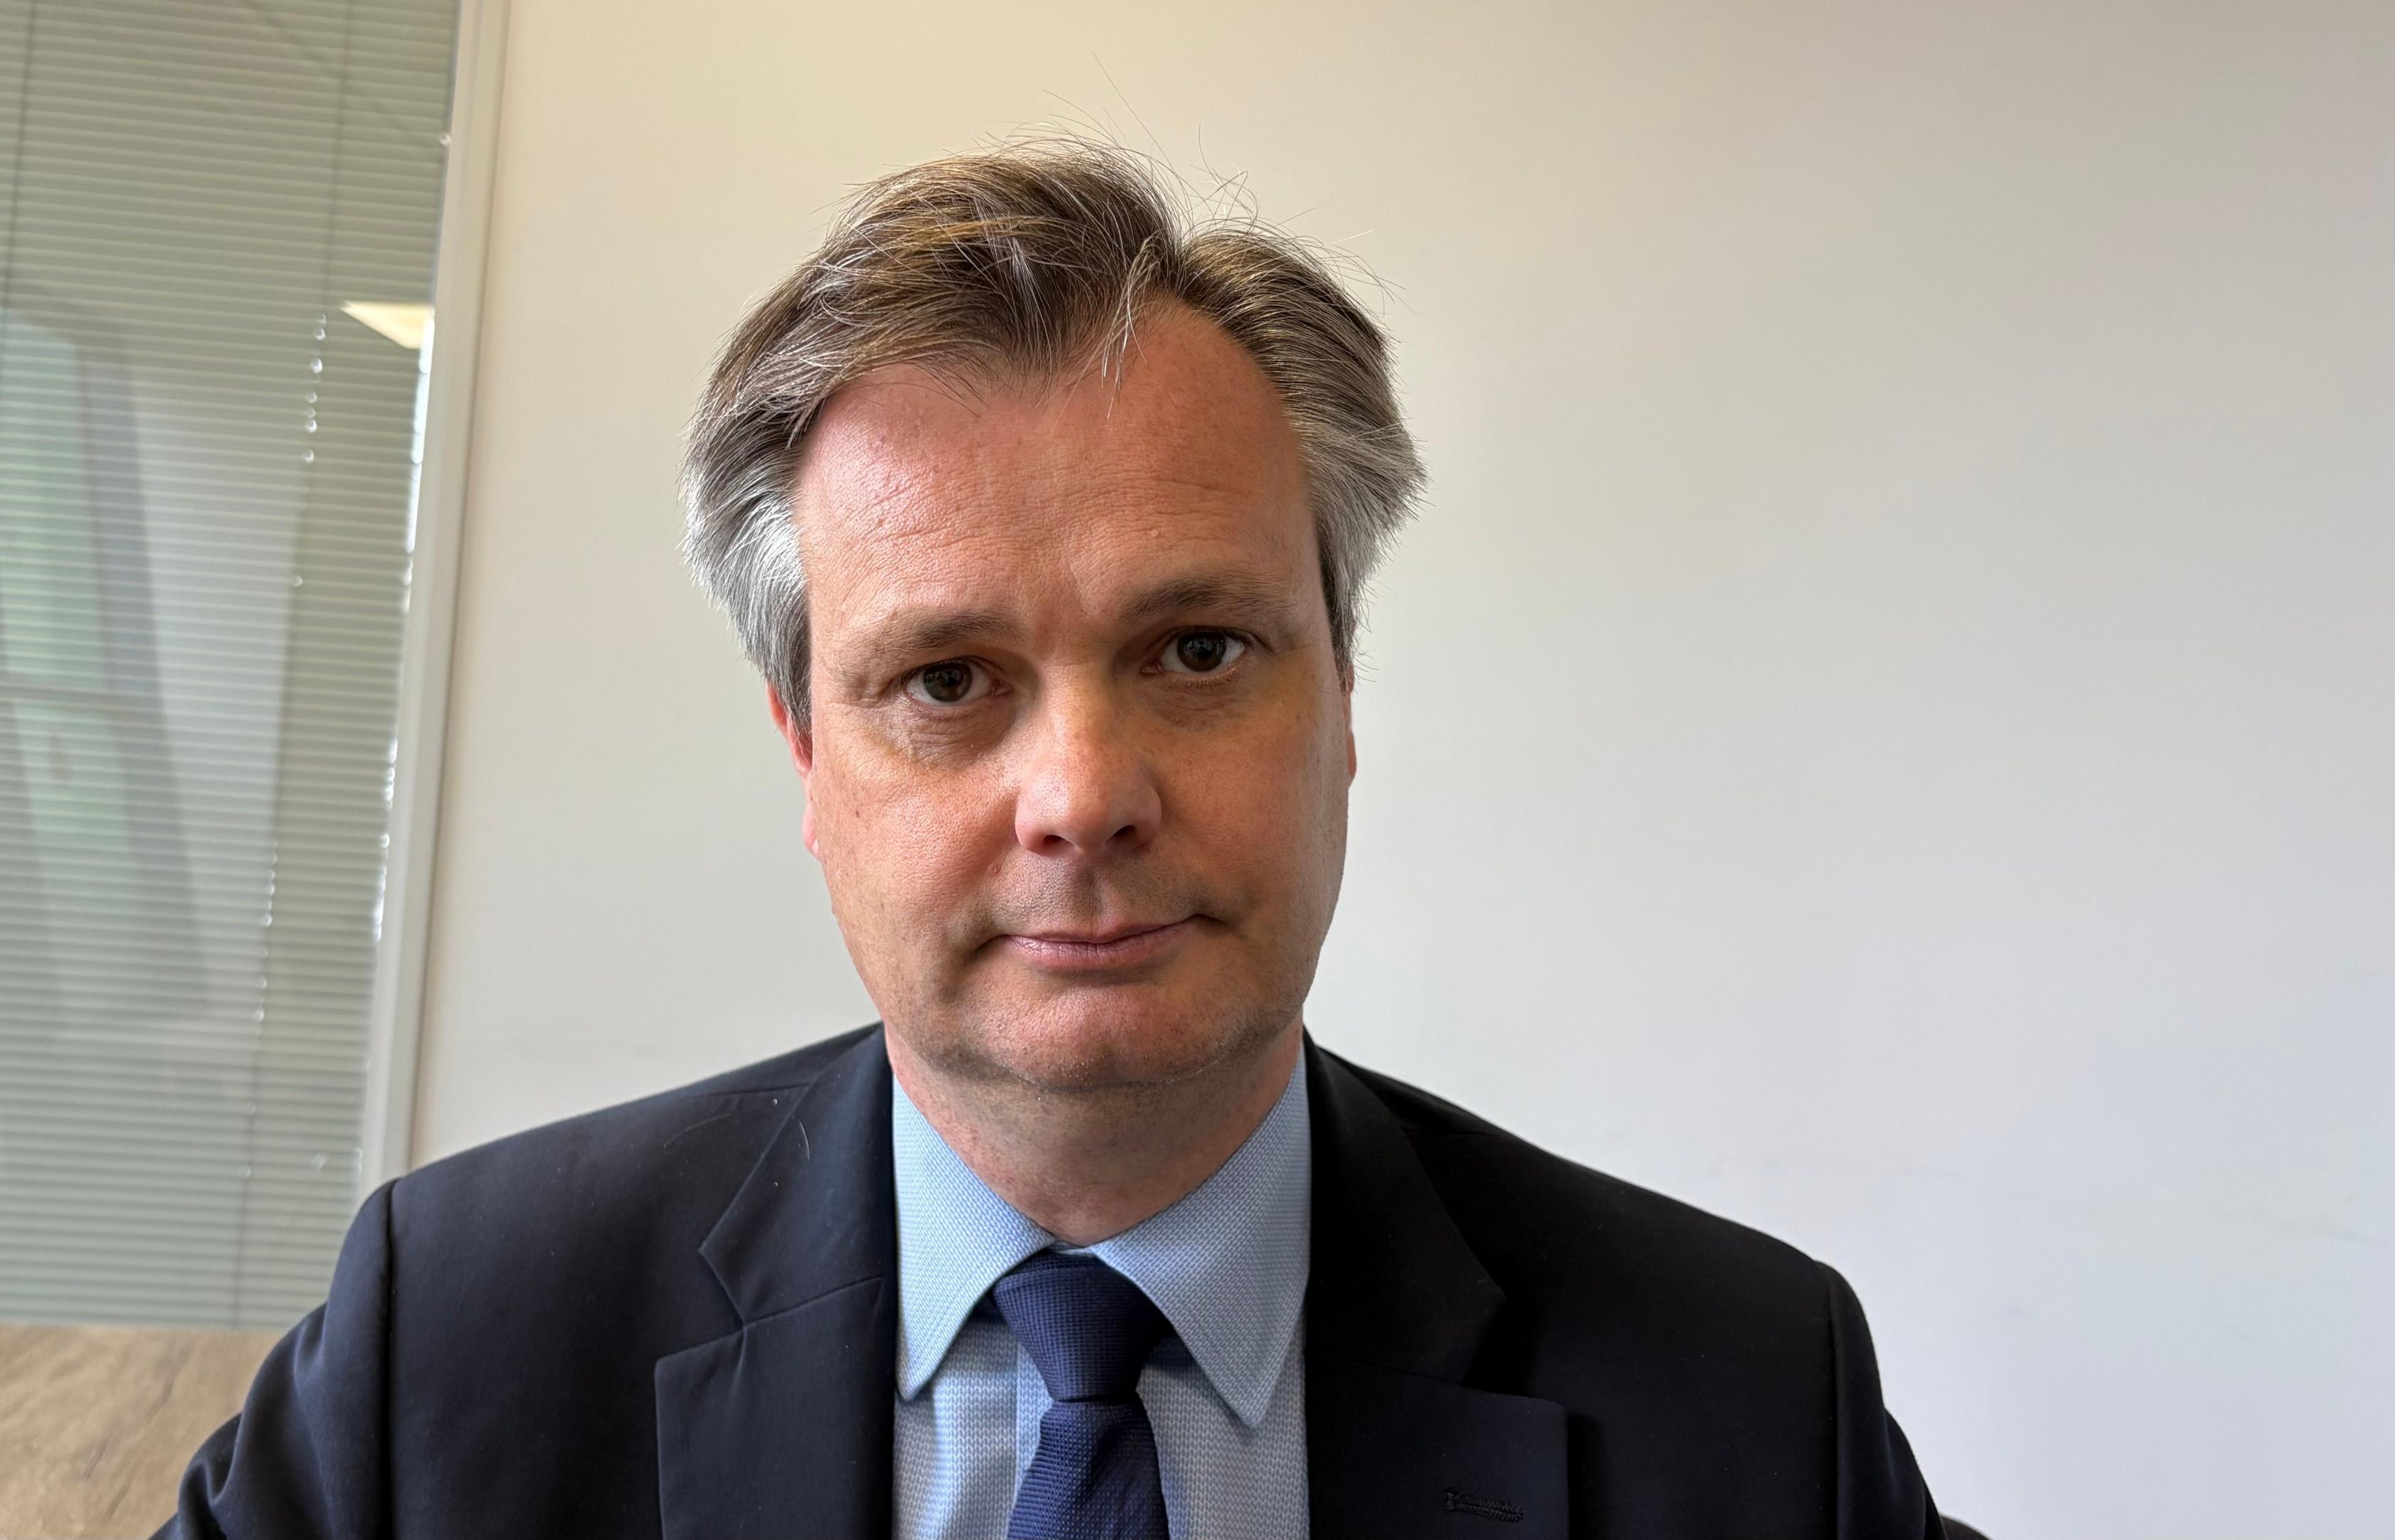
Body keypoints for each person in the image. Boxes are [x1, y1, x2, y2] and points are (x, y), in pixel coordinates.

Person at [160, 140, 1948, 1539]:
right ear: (806, 753)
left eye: (1199, 650)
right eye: (947, 681)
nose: (1084, 794)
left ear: (1342, 702)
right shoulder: (454, 1337)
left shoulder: (1739, 1390)